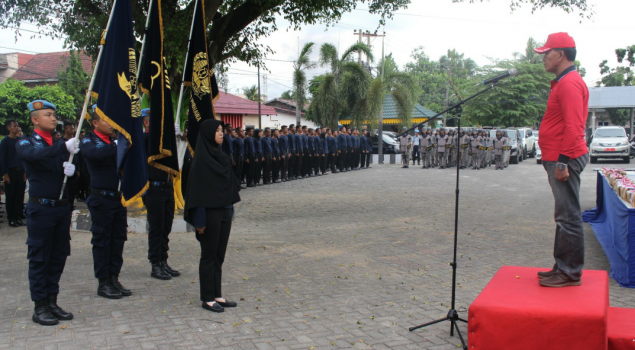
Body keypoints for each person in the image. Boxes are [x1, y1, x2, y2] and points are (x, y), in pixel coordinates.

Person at [534, 32, 589, 287]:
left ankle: (569, 272)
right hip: (559, 156)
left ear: (561, 54)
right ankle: (562, 266)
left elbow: (574, 126)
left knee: (568, 216)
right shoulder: (564, 81)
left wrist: (562, 162)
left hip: (564, 157)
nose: (544, 58)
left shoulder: (569, 84)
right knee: (563, 216)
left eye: (547, 53)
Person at [17, 100, 78, 325]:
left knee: (58, 257)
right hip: (41, 209)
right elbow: (34, 156)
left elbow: (62, 170)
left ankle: (52, 301)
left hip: (61, 209)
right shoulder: (26, 142)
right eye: (48, 115)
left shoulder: (59, 143)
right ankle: (40, 305)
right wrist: (63, 148)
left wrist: (72, 170)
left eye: (54, 114)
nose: (53, 118)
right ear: (35, 119)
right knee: (40, 258)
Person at [184, 119, 241, 313]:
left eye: (221, 130)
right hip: (209, 215)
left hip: (225, 212)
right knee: (208, 256)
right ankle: (207, 297)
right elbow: (196, 193)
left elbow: (231, 186)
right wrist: (199, 221)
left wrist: (230, 209)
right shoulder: (200, 161)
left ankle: (217, 294)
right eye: (217, 131)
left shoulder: (222, 156)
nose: (221, 134)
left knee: (219, 256)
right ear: (208, 134)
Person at [80, 111, 131, 299]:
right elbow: (95, 155)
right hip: (101, 198)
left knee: (118, 239)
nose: (111, 124)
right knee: (102, 241)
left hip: (118, 198)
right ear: (95, 123)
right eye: (105, 120)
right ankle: (103, 282)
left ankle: (114, 277)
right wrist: (118, 144)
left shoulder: (114, 141)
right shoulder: (89, 141)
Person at [142, 108, 180, 281]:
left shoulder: (164, 140)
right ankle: (155, 263)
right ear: (147, 122)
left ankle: (163, 260)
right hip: (154, 188)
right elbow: (151, 145)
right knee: (156, 228)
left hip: (167, 187)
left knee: (166, 228)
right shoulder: (144, 138)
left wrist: (176, 138)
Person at [1, 120, 26, 227]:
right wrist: (5, 174)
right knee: (10, 196)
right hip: (10, 171)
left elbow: (24, 157)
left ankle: (17, 216)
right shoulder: (5, 142)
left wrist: (25, 172)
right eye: (14, 126)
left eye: (17, 125)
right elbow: (2, 159)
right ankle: (11, 218)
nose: (16, 127)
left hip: (21, 171)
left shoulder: (20, 141)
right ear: (9, 128)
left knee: (19, 195)